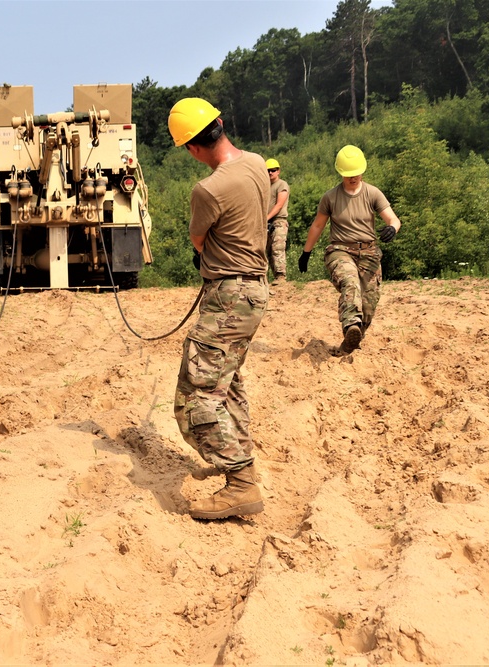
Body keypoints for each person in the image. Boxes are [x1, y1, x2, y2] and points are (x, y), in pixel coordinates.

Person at [167, 98, 270, 520]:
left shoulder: (208, 189)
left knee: (193, 399)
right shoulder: (258, 163)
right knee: (227, 385)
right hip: (254, 293)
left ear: (192, 147)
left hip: (227, 296)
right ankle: (239, 458)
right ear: (221, 125)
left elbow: (199, 241)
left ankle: (241, 482)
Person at [297, 145, 401, 355]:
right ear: (340, 173)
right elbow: (318, 225)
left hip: (369, 253)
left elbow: (392, 218)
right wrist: (306, 252)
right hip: (340, 250)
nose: (352, 178)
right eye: (348, 174)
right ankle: (350, 323)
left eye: (356, 173)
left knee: (369, 304)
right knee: (350, 281)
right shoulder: (330, 197)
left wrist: (392, 228)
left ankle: (350, 341)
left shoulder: (372, 193)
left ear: (362, 170)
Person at [265, 158, 290, 285]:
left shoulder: (282, 185)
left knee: (277, 248)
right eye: (268, 170)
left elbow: (279, 205)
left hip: (279, 221)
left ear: (278, 171)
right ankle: (272, 277)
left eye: (273, 170)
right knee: (268, 251)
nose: (270, 173)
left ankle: (281, 276)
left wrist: (266, 218)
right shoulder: (265, 186)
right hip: (266, 222)